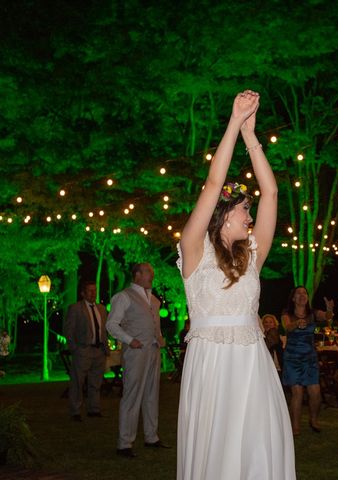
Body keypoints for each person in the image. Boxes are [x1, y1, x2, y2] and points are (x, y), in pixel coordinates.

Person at [176, 91, 295, 479]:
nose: (251, 215)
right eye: (245, 209)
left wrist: (251, 137)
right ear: (225, 216)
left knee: (256, 448)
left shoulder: (253, 257)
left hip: (252, 366)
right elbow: (213, 185)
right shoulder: (193, 252)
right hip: (212, 367)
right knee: (217, 451)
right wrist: (232, 122)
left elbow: (273, 192)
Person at [106, 263, 166, 457]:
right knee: (132, 396)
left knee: (151, 395)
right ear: (138, 275)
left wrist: (159, 336)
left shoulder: (154, 300)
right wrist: (130, 340)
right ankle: (124, 443)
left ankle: (152, 437)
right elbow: (111, 324)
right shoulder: (123, 297)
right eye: (150, 273)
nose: (152, 276)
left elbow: (154, 324)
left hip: (153, 351)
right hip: (135, 353)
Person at [281, 286, 334, 434]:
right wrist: (296, 323)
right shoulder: (287, 313)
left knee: (315, 391)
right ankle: (295, 426)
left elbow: (328, 317)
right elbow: (287, 327)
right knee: (297, 392)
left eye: (304, 293)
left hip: (309, 358)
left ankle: (314, 420)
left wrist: (329, 310)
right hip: (292, 358)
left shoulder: (313, 313)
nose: (302, 295)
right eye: (298, 293)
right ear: (293, 298)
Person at [63, 280, 109, 421]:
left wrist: (105, 347)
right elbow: (68, 331)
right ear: (83, 293)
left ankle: (94, 409)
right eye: (90, 290)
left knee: (96, 383)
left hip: (98, 351)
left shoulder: (101, 309)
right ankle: (75, 411)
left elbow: (104, 330)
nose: (93, 293)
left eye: (94, 290)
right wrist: (75, 349)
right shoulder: (75, 308)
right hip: (83, 351)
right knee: (78, 382)